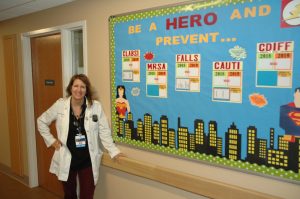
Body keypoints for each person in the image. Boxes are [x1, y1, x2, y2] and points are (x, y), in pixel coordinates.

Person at [37, 74, 123, 199]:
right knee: (69, 194)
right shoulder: (61, 105)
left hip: (87, 159)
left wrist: (114, 151)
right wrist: (52, 141)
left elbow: (104, 131)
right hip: (67, 157)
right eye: (76, 86)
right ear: (70, 88)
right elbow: (41, 121)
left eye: (83, 87)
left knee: (87, 195)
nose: (79, 89)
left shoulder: (95, 107)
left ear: (86, 90)